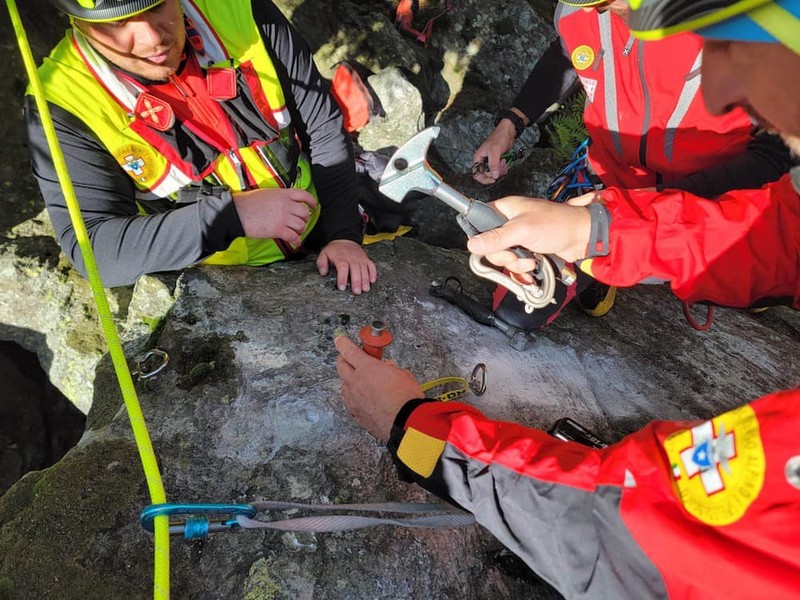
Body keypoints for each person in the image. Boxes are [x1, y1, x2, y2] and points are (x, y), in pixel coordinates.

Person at [336, 0, 800, 597]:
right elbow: (779, 237)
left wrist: (413, 427)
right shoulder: (585, 17)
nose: (717, 92)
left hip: (673, 194)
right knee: (522, 301)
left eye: (737, 47)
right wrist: (598, 231)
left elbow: (618, 527)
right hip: (624, 196)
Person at [26, 0, 377, 292]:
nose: (151, 38)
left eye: (157, 4)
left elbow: (321, 125)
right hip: (215, 280)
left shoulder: (237, 9)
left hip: (322, 229)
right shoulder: (61, 104)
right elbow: (95, 251)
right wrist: (229, 216)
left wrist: (344, 233)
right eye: (117, 24)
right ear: (76, 21)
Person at [473, 0, 793, 320]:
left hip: (705, 193)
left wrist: (641, 220)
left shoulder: (746, 25)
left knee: (763, 271)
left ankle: (736, 286)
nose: (593, 9)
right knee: (516, 310)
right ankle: (604, 270)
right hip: (607, 174)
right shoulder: (581, 10)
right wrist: (510, 125)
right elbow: (567, 53)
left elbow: (777, 155)